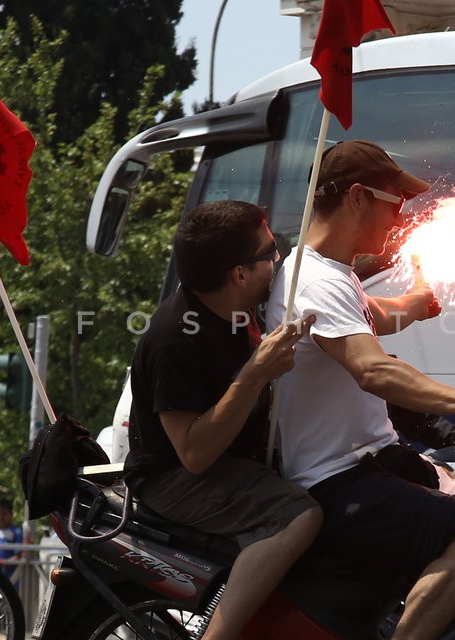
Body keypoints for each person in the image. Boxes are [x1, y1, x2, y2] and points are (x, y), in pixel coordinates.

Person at [266, 140, 455, 640]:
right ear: (357, 198)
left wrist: (412, 303)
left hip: (371, 460)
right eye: (396, 203)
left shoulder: (330, 273)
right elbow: (373, 371)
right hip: (336, 476)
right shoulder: (316, 282)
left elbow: (369, 316)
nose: (401, 217)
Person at [124, 200, 322, 639]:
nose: (279, 260)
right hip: (173, 478)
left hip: (237, 459)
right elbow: (194, 454)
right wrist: (254, 375)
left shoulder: (238, 303)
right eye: (272, 253)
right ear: (239, 274)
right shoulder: (173, 338)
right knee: (298, 517)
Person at [0, 498, 24, 586]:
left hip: (12, 579)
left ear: (11, 514)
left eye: (4, 514)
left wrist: (3, 563)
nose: (1, 517)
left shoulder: (17, 533)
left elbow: (18, 556)